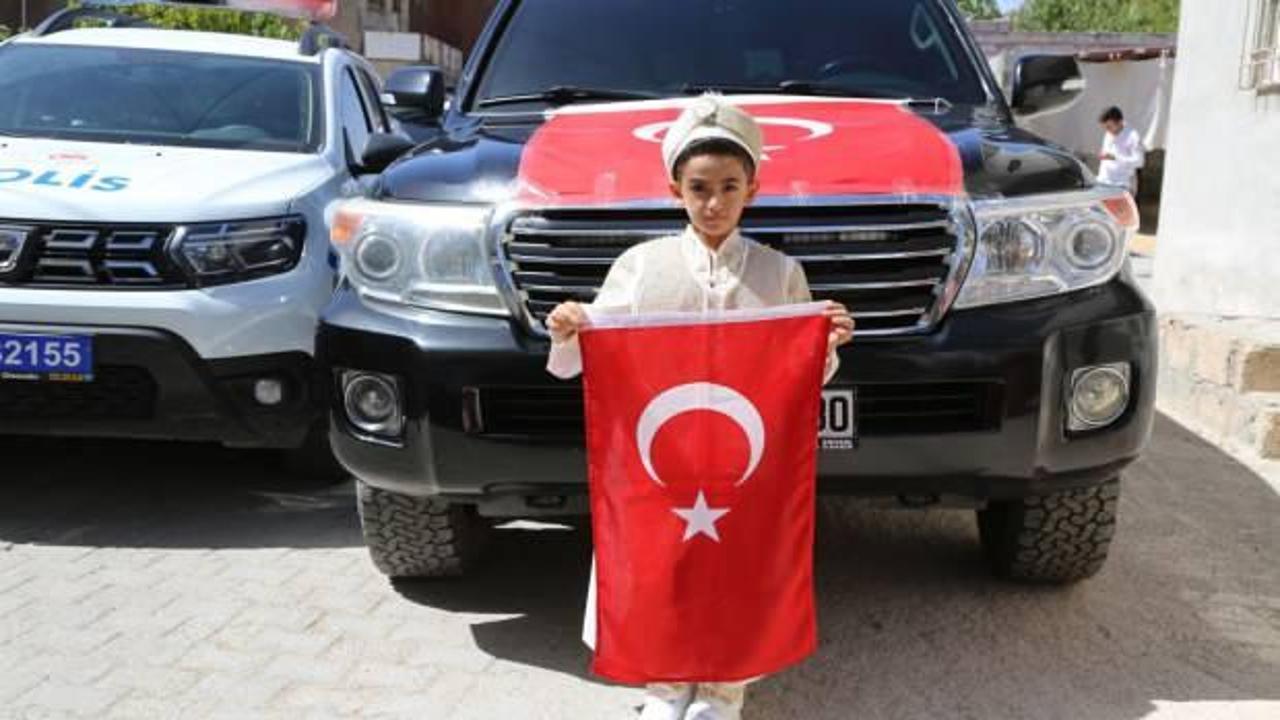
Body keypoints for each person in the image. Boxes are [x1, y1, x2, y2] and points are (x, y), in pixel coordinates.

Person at [544, 94, 855, 720]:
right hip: (662, 464)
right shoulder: (641, 266)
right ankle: (663, 686)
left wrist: (827, 343)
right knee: (662, 572)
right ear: (675, 188)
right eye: (700, 187)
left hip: (747, 468)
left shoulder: (779, 273)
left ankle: (723, 689)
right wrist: (569, 327)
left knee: (740, 572)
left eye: (729, 187)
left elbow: (798, 375)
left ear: (753, 189)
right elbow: (594, 352)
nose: (714, 203)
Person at [1097, 106, 1145, 195]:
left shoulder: (1133, 136)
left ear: (1120, 122)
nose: (1107, 130)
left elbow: (1139, 162)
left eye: (1109, 127)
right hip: (1103, 183)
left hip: (1121, 186)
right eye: (1105, 128)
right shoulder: (1108, 133)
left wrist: (1115, 157)